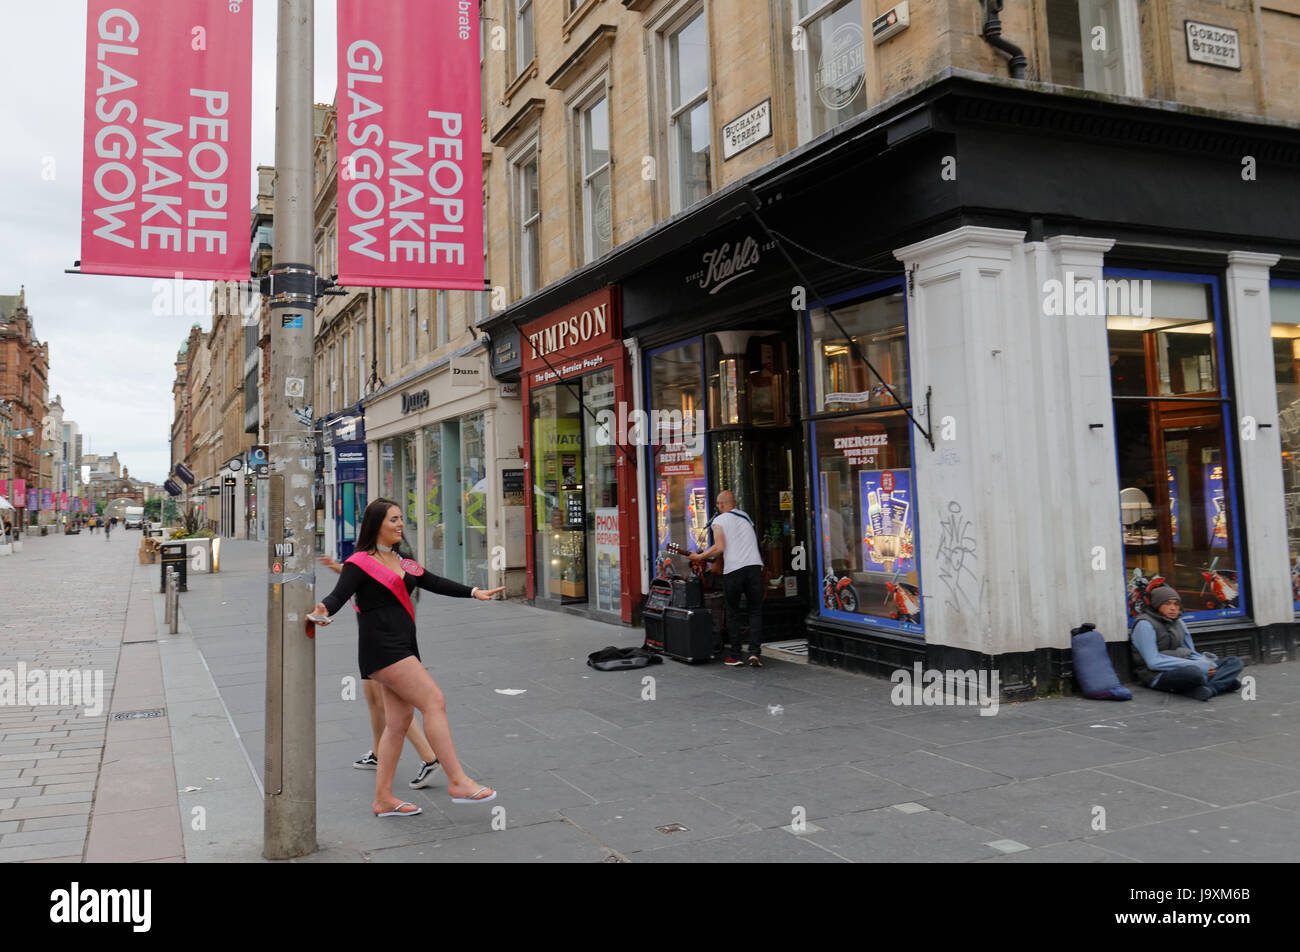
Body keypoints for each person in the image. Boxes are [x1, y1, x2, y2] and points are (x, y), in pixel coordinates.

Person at [313, 498, 504, 817]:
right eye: (393, 520)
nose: (400, 524)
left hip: (403, 645)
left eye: (401, 518)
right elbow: (338, 596)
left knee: (398, 723)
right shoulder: (359, 563)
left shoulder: (401, 559)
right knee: (434, 700)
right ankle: (458, 780)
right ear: (376, 525)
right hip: (383, 648)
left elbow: (433, 582)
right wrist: (323, 610)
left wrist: (474, 592)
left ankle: (383, 799)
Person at [319, 553, 443, 790]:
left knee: (393, 705)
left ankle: (429, 757)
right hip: (375, 637)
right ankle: (378, 753)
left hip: (386, 640)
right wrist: (339, 569)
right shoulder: (369, 554)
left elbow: (410, 579)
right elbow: (364, 576)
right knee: (374, 699)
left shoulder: (395, 552)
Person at [690, 489, 766, 668]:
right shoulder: (746, 517)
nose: (717, 506)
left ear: (722, 505)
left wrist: (699, 557)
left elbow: (719, 547)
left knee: (732, 613)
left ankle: (736, 655)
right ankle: (755, 653)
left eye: (717, 504)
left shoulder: (719, 520)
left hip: (734, 570)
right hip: (755, 568)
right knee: (755, 611)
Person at [1130, 585, 1244, 701]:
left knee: (1234, 662)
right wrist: (1199, 666)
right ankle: (1220, 683)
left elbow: (1190, 653)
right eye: (1167, 604)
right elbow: (1153, 662)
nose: (1173, 608)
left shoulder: (1179, 623)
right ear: (1157, 605)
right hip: (1155, 675)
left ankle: (1209, 688)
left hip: (1183, 666)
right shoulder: (1144, 625)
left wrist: (1205, 662)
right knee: (1195, 673)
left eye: (1176, 604)